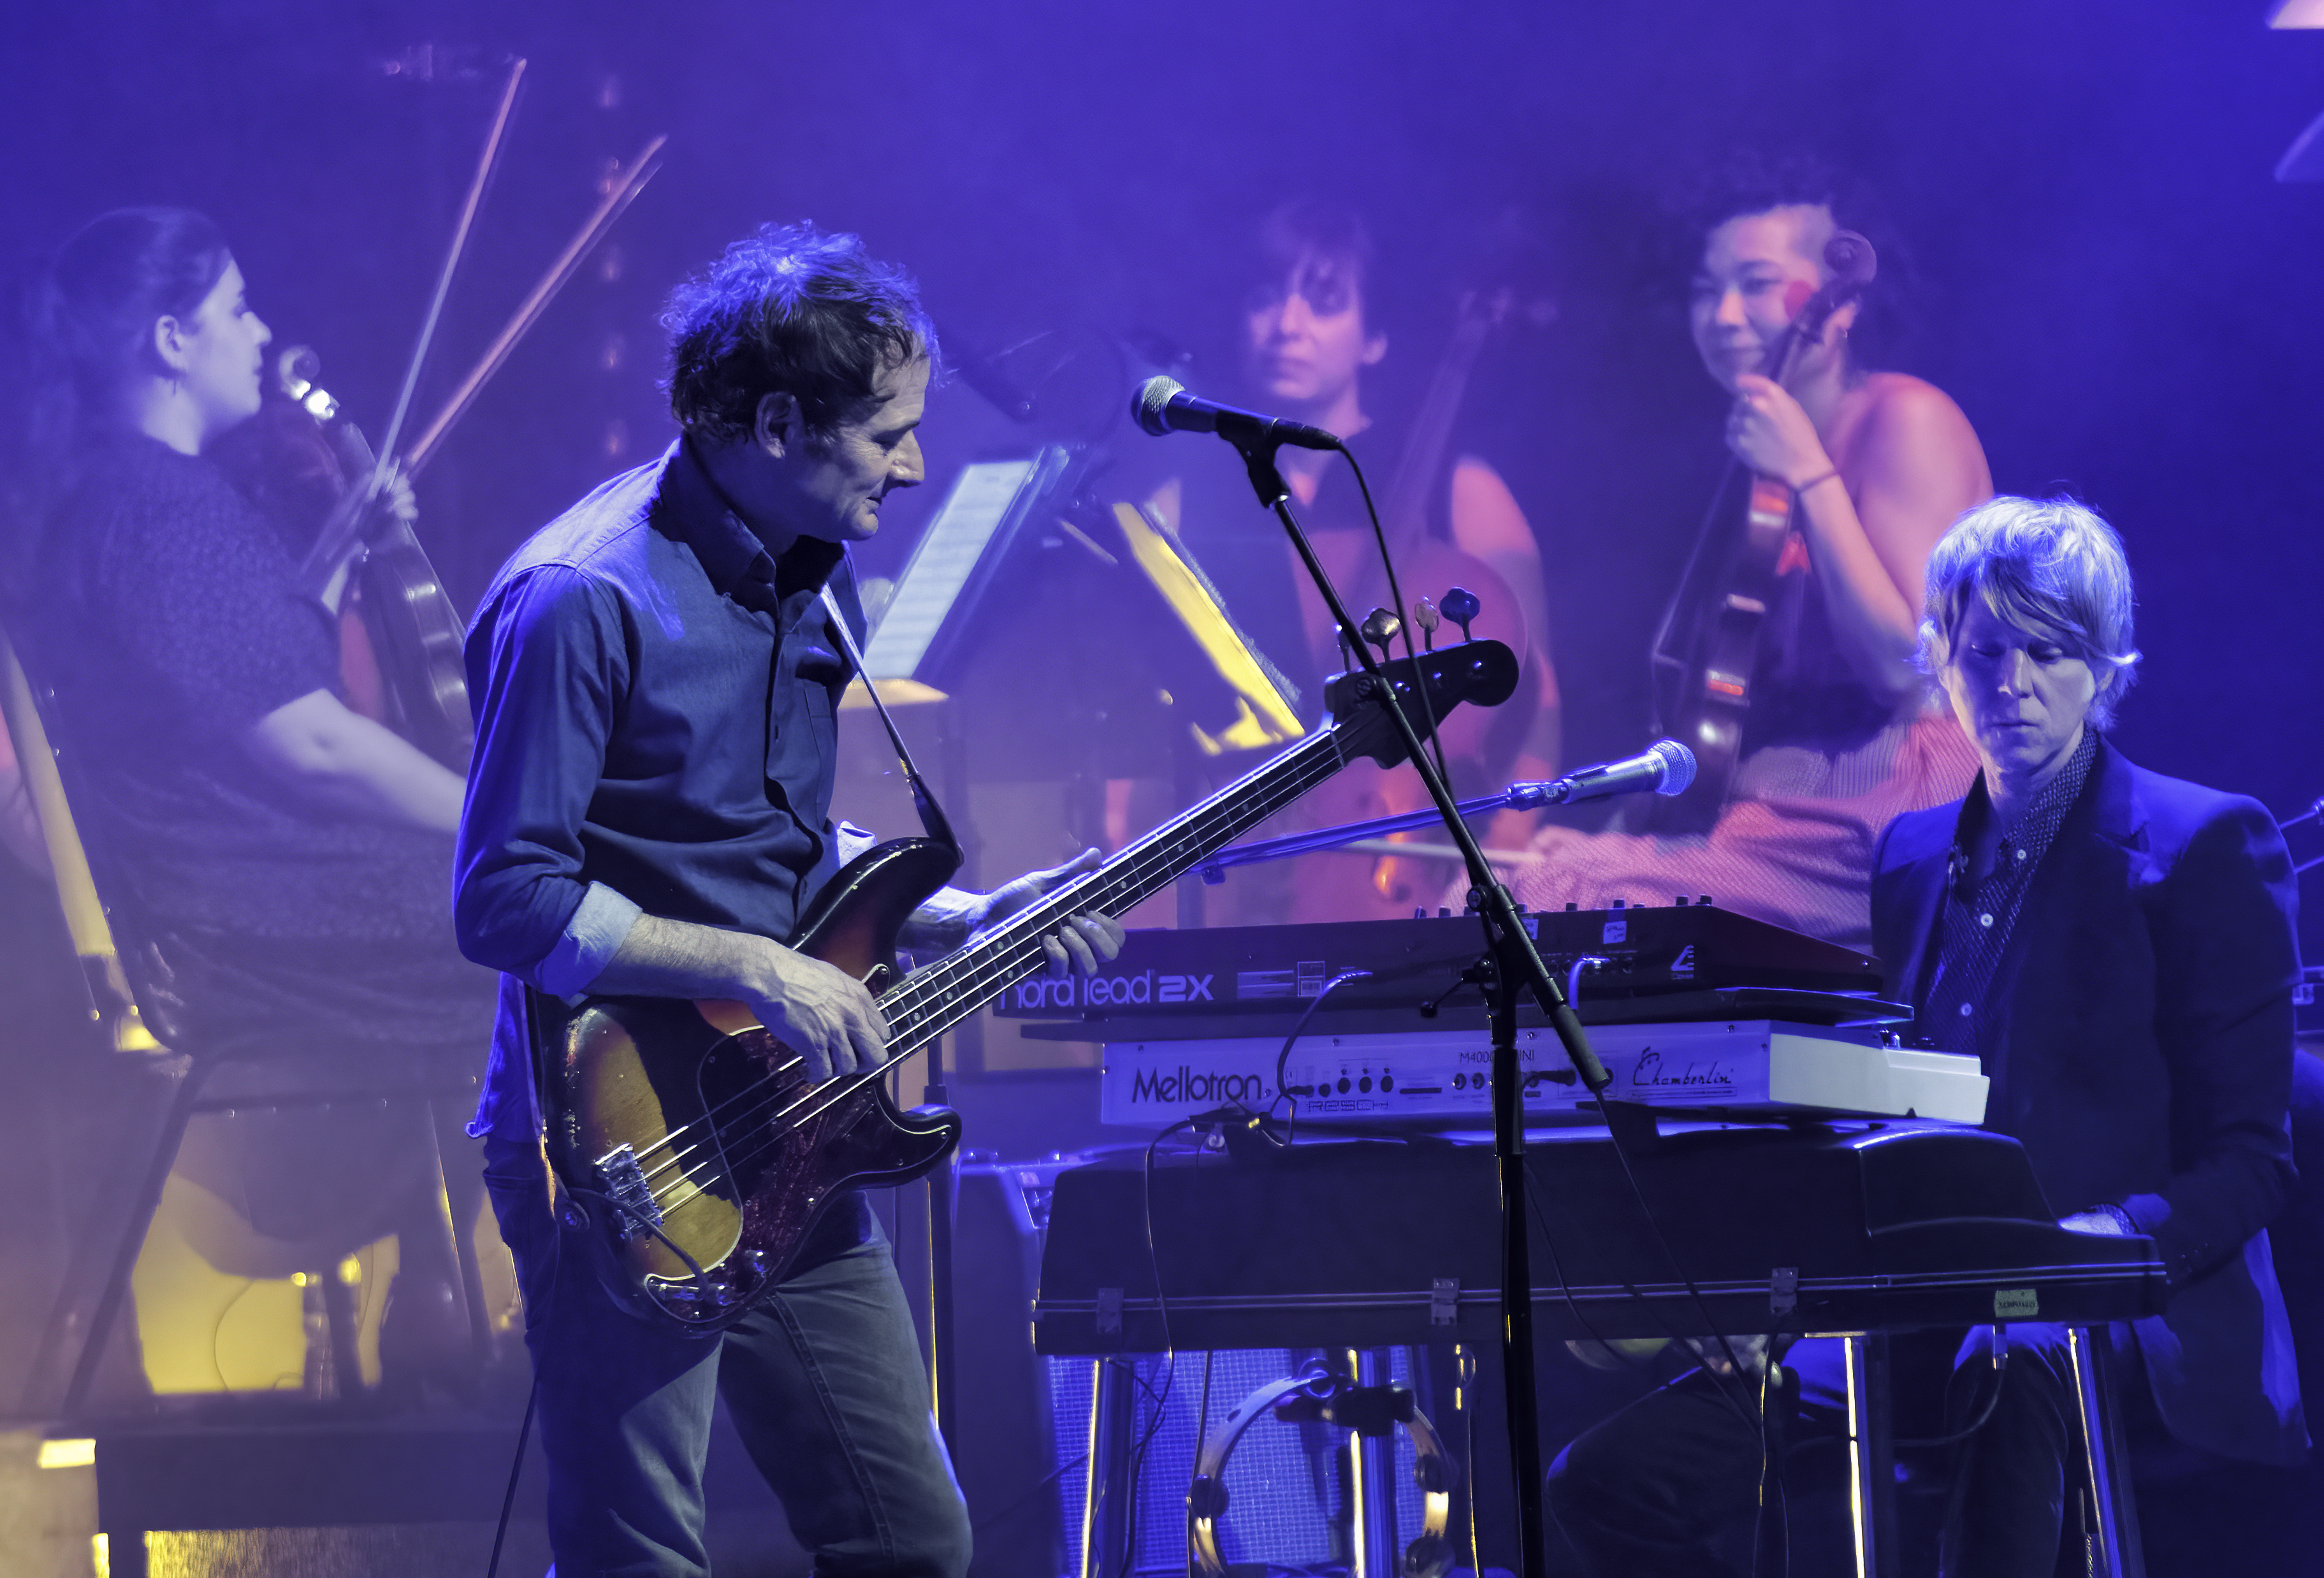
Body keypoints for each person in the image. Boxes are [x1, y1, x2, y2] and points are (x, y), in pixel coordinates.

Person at [453, 222, 1125, 1577]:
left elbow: (779, 851)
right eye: (887, 434)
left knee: (912, 1538)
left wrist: (968, 914)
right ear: (774, 421)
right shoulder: (582, 598)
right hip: (617, 1136)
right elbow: (504, 900)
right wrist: (759, 971)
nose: (916, 462)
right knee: (640, 1554)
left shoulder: (816, 567)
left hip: (786, 1125)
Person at [1543, 497, 2306, 1577]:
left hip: (2136, 1306)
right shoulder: (1909, 854)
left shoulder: (2203, 843)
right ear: (1940, 660)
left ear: (2103, 666)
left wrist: (2093, 1239)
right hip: (1930, 1302)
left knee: (2011, 1356)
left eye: (2048, 652)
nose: (2012, 682)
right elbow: (1893, 1111)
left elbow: (2251, 1166)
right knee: (1612, 1482)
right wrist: (1790, 1285)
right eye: (1983, 650)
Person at [3, 207, 497, 1391]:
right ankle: (588, 1328)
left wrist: (329, 551)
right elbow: (314, 749)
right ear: (172, 340)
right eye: (234, 310)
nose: (260, 332)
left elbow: (233, 683)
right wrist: (506, 821)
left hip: (212, 907)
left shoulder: (101, 503)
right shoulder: (167, 508)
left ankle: (465, 1329)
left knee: (546, 912)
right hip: (255, 922)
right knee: (558, 928)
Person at [1497, 157, 1990, 952]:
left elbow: (1910, 673)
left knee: (1563, 902)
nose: (1723, 315)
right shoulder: (1759, 462)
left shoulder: (1904, 419)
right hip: (1780, 807)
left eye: (1757, 284)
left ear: (1841, 308)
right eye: (1705, 289)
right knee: (1519, 885)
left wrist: (1812, 475)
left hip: (1895, 806)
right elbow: (1724, 717)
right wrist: (1624, 833)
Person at [1161, 198, 1560, 922]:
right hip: (1233, 860)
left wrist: (1504, 853)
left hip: (1406, 870)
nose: (1287, 326)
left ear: (1373, 336)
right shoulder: (1181, 502)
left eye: (1323, 301)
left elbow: (1535, 713)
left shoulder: (1461, 494)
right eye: (1264, 298)